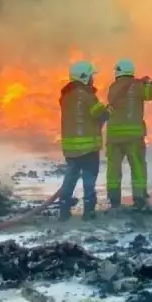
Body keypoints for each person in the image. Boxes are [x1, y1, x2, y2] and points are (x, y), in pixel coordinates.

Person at [105, 58, 152, 209]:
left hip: (114, 137)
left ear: (118, 72)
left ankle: (114, 199)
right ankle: (139, 197)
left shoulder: (112, 87)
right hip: (133, 138)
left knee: (113, 168)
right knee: (137, 166)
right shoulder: (137, 87)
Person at [58, 61, 109, 220]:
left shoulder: (65, 96)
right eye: (91, 75)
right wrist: (108, 110)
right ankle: (88, 212)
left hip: (70, 148)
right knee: (89, 178)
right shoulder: (87, 96)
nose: (93, 79)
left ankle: (64, 211)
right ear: (85, 77)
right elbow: (99, 114)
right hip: (88, 148)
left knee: (70, 177)